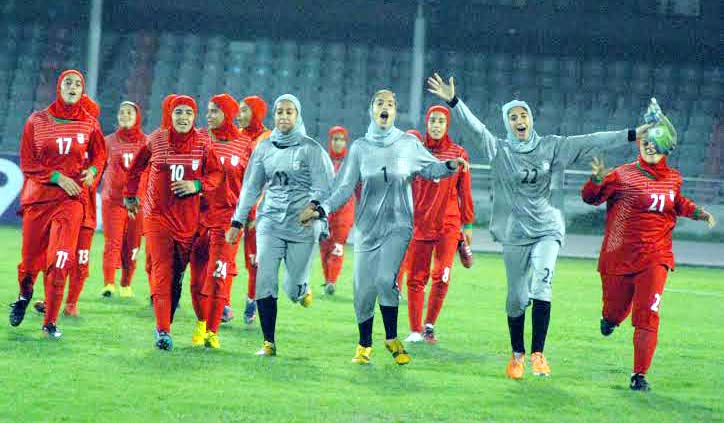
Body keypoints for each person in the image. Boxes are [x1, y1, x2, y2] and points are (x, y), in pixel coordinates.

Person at [427, 73, 654, 379]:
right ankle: (517, 354)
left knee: (542, 283)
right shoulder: (501, 151)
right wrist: (454, 101)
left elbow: (591, 140)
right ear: (507, 124)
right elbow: (477, 129)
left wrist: (633, 134)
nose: (519, 120)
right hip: (515, 233)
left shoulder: (552, 147)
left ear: (531, 119)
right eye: (513, 116)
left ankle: (538, 355)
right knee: (517, 298)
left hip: (548, 228)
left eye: (523, 115)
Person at [300, 89, 468, 365]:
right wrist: (322, 209)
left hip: (399, 226)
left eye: (390, 103)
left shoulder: (407, 144)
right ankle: (364, 344)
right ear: (372, 110)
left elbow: (430, 168)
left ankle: (392, 338)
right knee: (363, 289)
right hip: (367, 228)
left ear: (394, 111)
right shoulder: (360, 148)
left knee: (385, 280)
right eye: (380, 103)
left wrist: (450, 165)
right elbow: (343, 188)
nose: (385, 107)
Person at [581, 106, 716, 391]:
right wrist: (595, 180)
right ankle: (610, 320)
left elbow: (676, 202)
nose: (649, 149)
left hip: (656, 256)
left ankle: (639, 375)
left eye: (654, 145)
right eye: (645, 143)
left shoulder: (673, 178)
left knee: (647, 314)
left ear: (665, 149)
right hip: (618, 256)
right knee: (616, 311)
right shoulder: (622, 175)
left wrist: (698, 212)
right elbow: (591, 199)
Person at [226, 94, 334, 356]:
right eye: (279, 112)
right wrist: (237, 222)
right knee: (264, 278)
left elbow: (327, 187)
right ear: (274, 116)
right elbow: (251, 187)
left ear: (297, 116)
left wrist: (315, 209)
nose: (284, 117)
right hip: (270, 221)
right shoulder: (264, 148)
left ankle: (301, 288)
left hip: (302, 225)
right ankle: (268, 342)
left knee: (291, 288)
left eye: (289, 112)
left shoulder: (311, 149)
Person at [10, 69, 105, 338]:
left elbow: (100, 154)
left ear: (82, 90)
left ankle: (50, 322)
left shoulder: (89, 123)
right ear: (58, 87)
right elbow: (28, 163)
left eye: (77, 84)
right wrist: (58, 178)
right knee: (29, 265)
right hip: (39, 201)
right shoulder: (37, 121)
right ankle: (24, 296)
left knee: (61, 259)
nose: (72, 87)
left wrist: (93, 171)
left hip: (70, 202)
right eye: (67, 83)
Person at [124, 95, 223, 350]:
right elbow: (136, 167)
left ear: (194, 117)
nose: (183, 118)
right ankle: (162, 331)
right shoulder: (156, 139)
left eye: (188, 113)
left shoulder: (203, 142)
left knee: (176, 278)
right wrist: (130, 195)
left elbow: (216, 174)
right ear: (170, 114)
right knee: (161, 271)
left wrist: (197, 184)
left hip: (187, 223)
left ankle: (164, 320)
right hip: (157, 218)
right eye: (178, 112)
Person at [404, 105, 474, 345]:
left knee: (441, 275)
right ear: (427, 123)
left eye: (440, 121)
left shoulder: (458, 153)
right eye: (432, 120)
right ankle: (415, 330)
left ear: (447, 126)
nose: (435, 125)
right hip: (421, 222)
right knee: (415, 278)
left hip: (448, 222)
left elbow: (464, 190)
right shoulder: (416, 149)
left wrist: (468, 225)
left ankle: (429, 327)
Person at [188, 94, 251, 349]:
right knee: (196, 280)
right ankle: (201, 322)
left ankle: (213, 331)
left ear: (228, 113)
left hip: (227, 220)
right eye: (208, 110)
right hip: (195, 217)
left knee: (218, 275)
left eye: (215, 111)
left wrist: (250, 216)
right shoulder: (197, 139)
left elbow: (252, 184)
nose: (209, 115)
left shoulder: (244, 144)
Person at [227, 95, 273, 325]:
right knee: (226, 256)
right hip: (234, 208)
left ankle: (252, 300)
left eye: (245, 111)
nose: (239, 115)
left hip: (258, 211)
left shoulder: (270, 139)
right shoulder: (235, 137)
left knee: (254, 261)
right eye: (239, 110)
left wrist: (258, 209)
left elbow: (270, 179)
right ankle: (223, 302)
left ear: (256, 113)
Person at [100, 101, 146, 298]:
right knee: (113, 242)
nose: (125, 115)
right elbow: (98, 166)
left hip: (138, 203)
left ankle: (126, 283)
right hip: (113, 201)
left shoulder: (147, 142)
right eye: (121, 112)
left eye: (129, 112)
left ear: (137, 117)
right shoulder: (107, 141)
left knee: (133, 244)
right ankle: (109, 284)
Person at [318, 126, 355, 295]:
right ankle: (327, 281)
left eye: (342, 139)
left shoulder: (352, 163)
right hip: (325, 211)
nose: (338, 143)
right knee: (324, 246)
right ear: (330, 141)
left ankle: (332, 280)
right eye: (335, 139)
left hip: (344, 211)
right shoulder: (323, 162)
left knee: (337, 246)